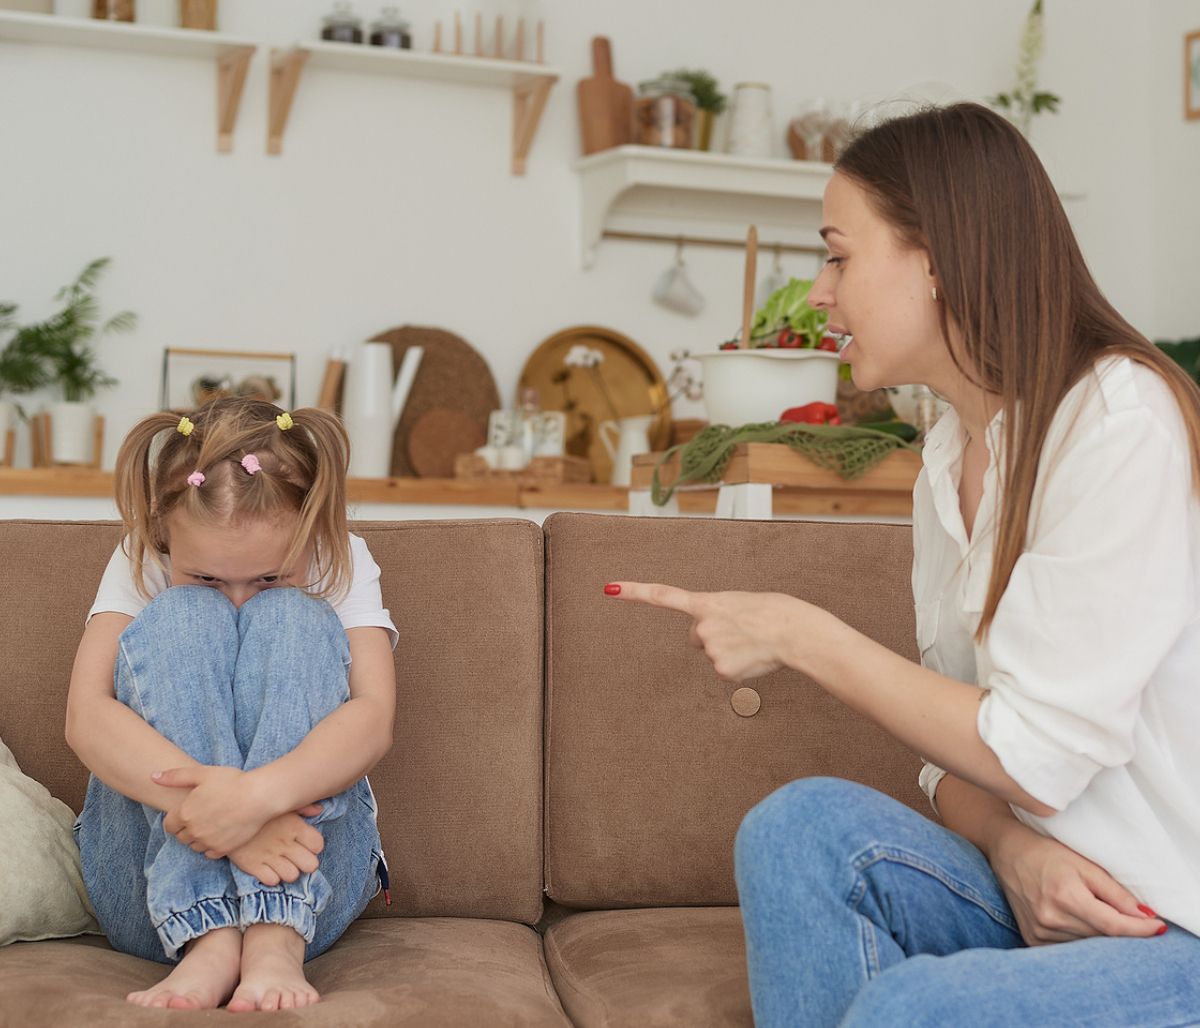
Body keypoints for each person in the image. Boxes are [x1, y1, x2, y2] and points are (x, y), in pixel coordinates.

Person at [603, 102, 1200, 1026]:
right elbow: (945, 759)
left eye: (839, 255)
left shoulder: (1118, 421)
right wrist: (1010, 845)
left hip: (1168, 923)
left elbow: (1035, 755)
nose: (821, 292)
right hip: (1041, 890)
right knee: (796, 830)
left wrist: (802, 635)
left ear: (936, 259)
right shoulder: (947, 458)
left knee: (916, 1011)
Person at [66, 397, 398, 1012]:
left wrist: (256, 801)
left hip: (307, 884)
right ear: (164, 536)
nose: (240, 599)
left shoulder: (341, 558)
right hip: (145, 885)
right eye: (208, 576)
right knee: (185, 618)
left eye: (269, 576)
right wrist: (225, 822)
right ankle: (208, 938)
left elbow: (373, 717)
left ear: (315, 530)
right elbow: (85, 716)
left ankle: (273, 938)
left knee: (292, 620)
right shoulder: (141, 557)